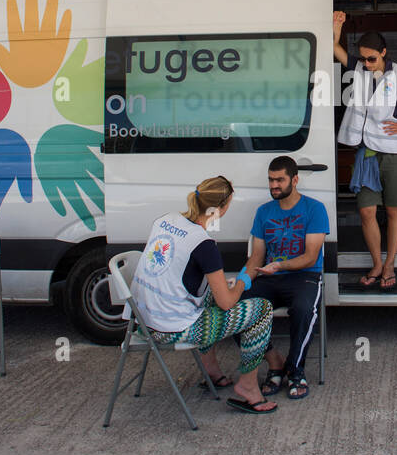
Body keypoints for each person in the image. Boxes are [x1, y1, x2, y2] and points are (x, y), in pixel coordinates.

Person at [128, 175, 277, 415]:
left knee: (208, 292)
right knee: (261, 310)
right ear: (221, 208)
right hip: (170, 329)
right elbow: (227, 303)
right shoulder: (204, 244)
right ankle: (249, 387)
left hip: (143, 321)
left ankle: (212, 372)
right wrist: (242, 282)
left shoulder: (166, 219)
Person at [332, 11, 397, 291]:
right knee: (366, 211)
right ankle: (376, 263)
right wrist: (338, 25)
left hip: (394, 152)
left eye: (372, 58)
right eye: (363, 58)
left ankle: (389, 264)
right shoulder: (357, 67)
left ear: (384, 52)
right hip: (366, 151)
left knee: (393, 210)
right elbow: (335, 47)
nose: (366, 64)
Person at [240, 156, 329, 400]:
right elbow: (256, 257)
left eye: (280, 180)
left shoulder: (315, 209)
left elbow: (311, 257)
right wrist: (239, 284)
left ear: (295, 179)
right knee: (232, 310)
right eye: (271, 180)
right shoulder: (263, 212)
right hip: (270, 277)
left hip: (304, 276)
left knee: (303, 310)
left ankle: (295, 369)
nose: (274, 185)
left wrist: (279, 265)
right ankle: (274, 362)